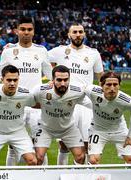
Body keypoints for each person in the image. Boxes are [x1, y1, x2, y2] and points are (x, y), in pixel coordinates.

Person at [0, 16, 52, 166]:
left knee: (39, 146)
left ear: (33, 32)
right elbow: (0, 75)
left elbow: (51, 75)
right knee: (13, 145)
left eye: (29, 29)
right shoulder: (9, 51)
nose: (26, 32)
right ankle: (10, 175)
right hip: (14, 104)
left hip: (36, 105)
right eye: (23, 29)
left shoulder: (41, 51)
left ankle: (43, 176)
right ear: (17, 31)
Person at [48, 23, 103, 165]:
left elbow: (100, 76)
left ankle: (80, 173)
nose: (78, 34)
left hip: (86, 103)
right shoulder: (59, 51)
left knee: (85, 144)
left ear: (84, 34)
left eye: (80, 32)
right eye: (75, 32)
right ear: (69, 35)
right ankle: (61, 173)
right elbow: (40, 59)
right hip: (65, 102)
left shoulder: (93, 53)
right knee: (64, 144)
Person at [0, 65, 37, 166]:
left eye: (15, 80)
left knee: (33, 161)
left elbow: (37, 104)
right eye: (9, 80)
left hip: (18, 132)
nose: (12, 83)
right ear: (2, 80)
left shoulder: (26, 94)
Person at [32, 65, 89, 165]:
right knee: (38, 157)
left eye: (66, 80)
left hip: (68, 128)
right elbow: (28, 101)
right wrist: (44, 105)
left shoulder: (77, 91)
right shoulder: (41, 90)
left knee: (80, 156)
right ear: (52, 80)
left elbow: (92, 103)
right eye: (59, 80)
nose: (63, 83)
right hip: (46, 128)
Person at [84, 72, 131, 164]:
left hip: (120, 131)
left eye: (115, 84)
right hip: (98, 130)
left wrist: (130, 136)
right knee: (93, 160)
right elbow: (80, 88)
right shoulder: (92, 91)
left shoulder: (127, 101)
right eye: (108, 85)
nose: (112, 88)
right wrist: (52, 83)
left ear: (119, 85)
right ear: (101, 85)